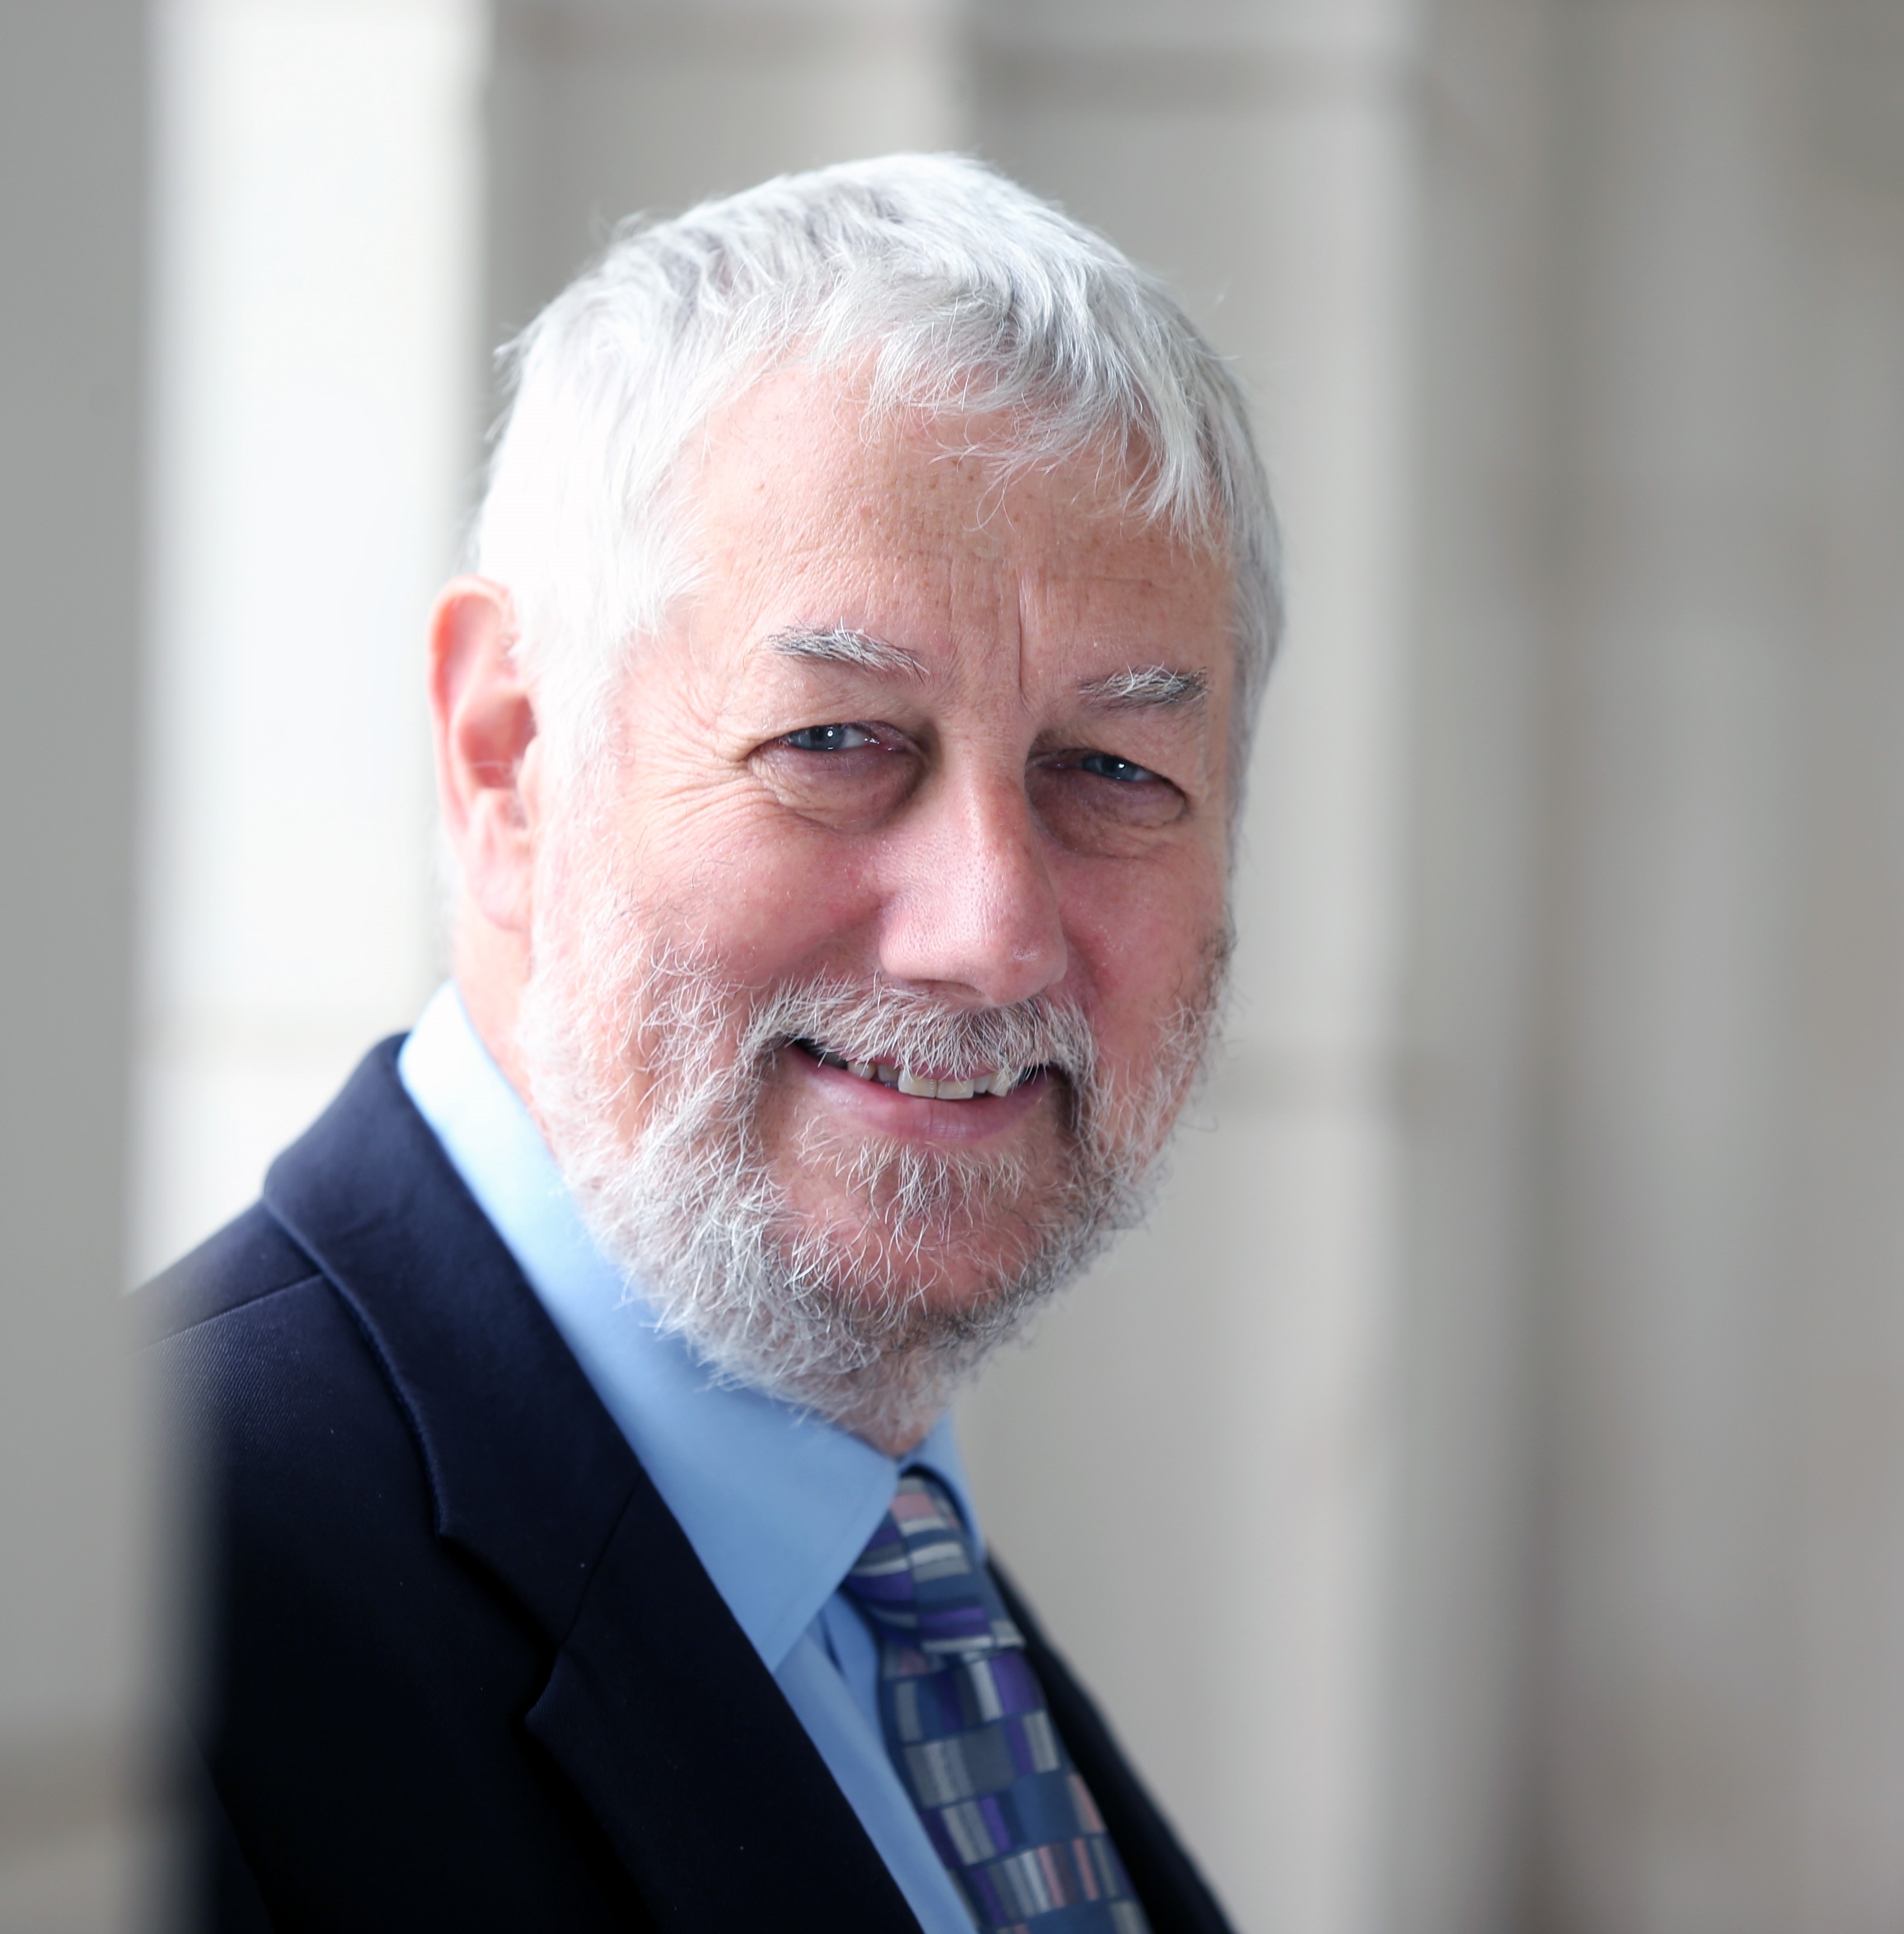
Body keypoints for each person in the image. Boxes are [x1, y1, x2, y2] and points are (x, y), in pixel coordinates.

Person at [148, 153, 1281, 1934]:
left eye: (1115, 770)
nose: (988, 930)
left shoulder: (893, 1578)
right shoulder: (136, 1617)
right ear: (508, 759)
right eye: (837, 739)